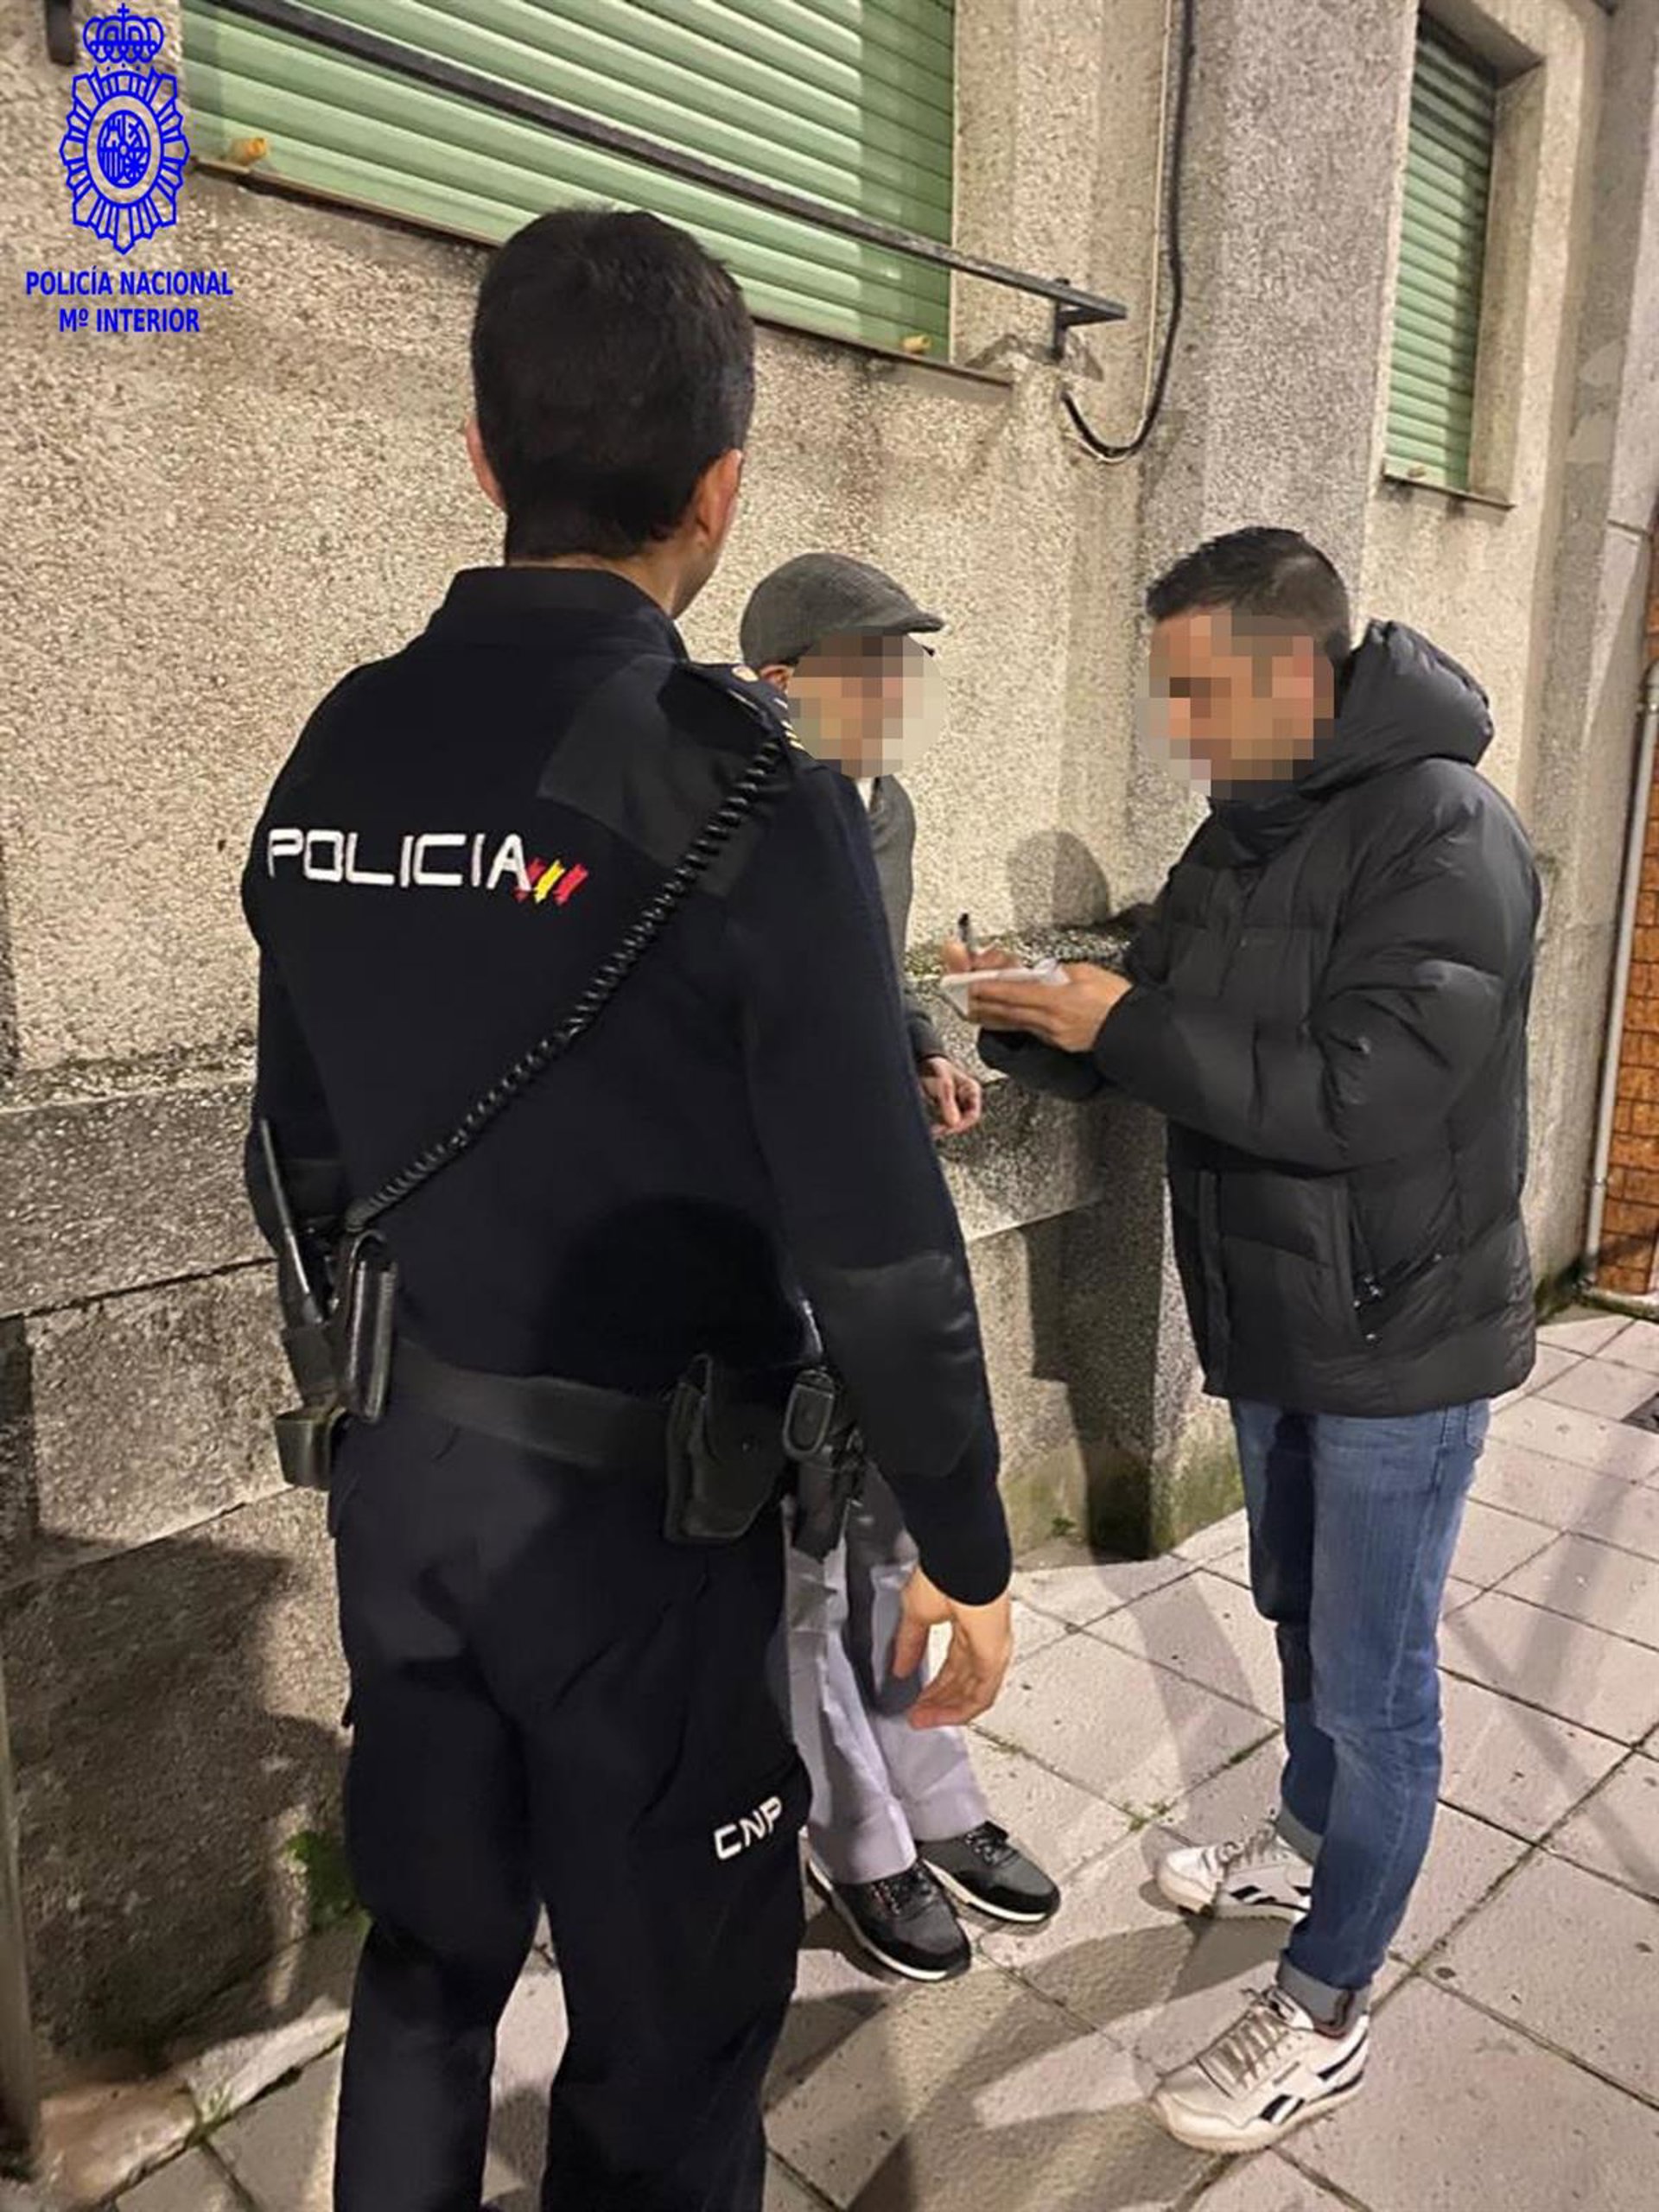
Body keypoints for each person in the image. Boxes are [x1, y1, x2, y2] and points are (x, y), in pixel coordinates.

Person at [242, 208, 1014, 2212]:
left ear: (483, 453)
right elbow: (876, 1235)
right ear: (722, 488)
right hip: (642, 1544)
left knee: (425, 1973)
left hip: (405, 1493)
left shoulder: (340, 741)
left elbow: (295, 1153)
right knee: (670, 2031)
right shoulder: (749, 788)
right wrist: (964, 1534)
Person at [958, 526, 1538, 2155]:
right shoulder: (1245, 823)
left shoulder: (1448, 831)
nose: (1182, 729)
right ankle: (1304, 1834)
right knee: (1295, 1609)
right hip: (1277, 1310)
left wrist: (1123, 1020)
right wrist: (1041, 1020)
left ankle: (1327, 2007)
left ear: (1300, 673)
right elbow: (1169, 1019)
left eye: (1203, 694)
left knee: (1374, 1678)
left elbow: (1361, 1096)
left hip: (1401, 1331)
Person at [741, 553, 1061, 1981]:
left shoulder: (886, 808)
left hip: (873, 1209)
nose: (894, 692)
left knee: (888, 1521)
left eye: (905, 665)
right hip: (769, 1227)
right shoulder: (736, 816)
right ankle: (854, 1828)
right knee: (802, 1545)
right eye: (867, 667)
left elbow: (861, 981)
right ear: (780, 685)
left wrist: (924, 1045)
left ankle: (932, 1786)